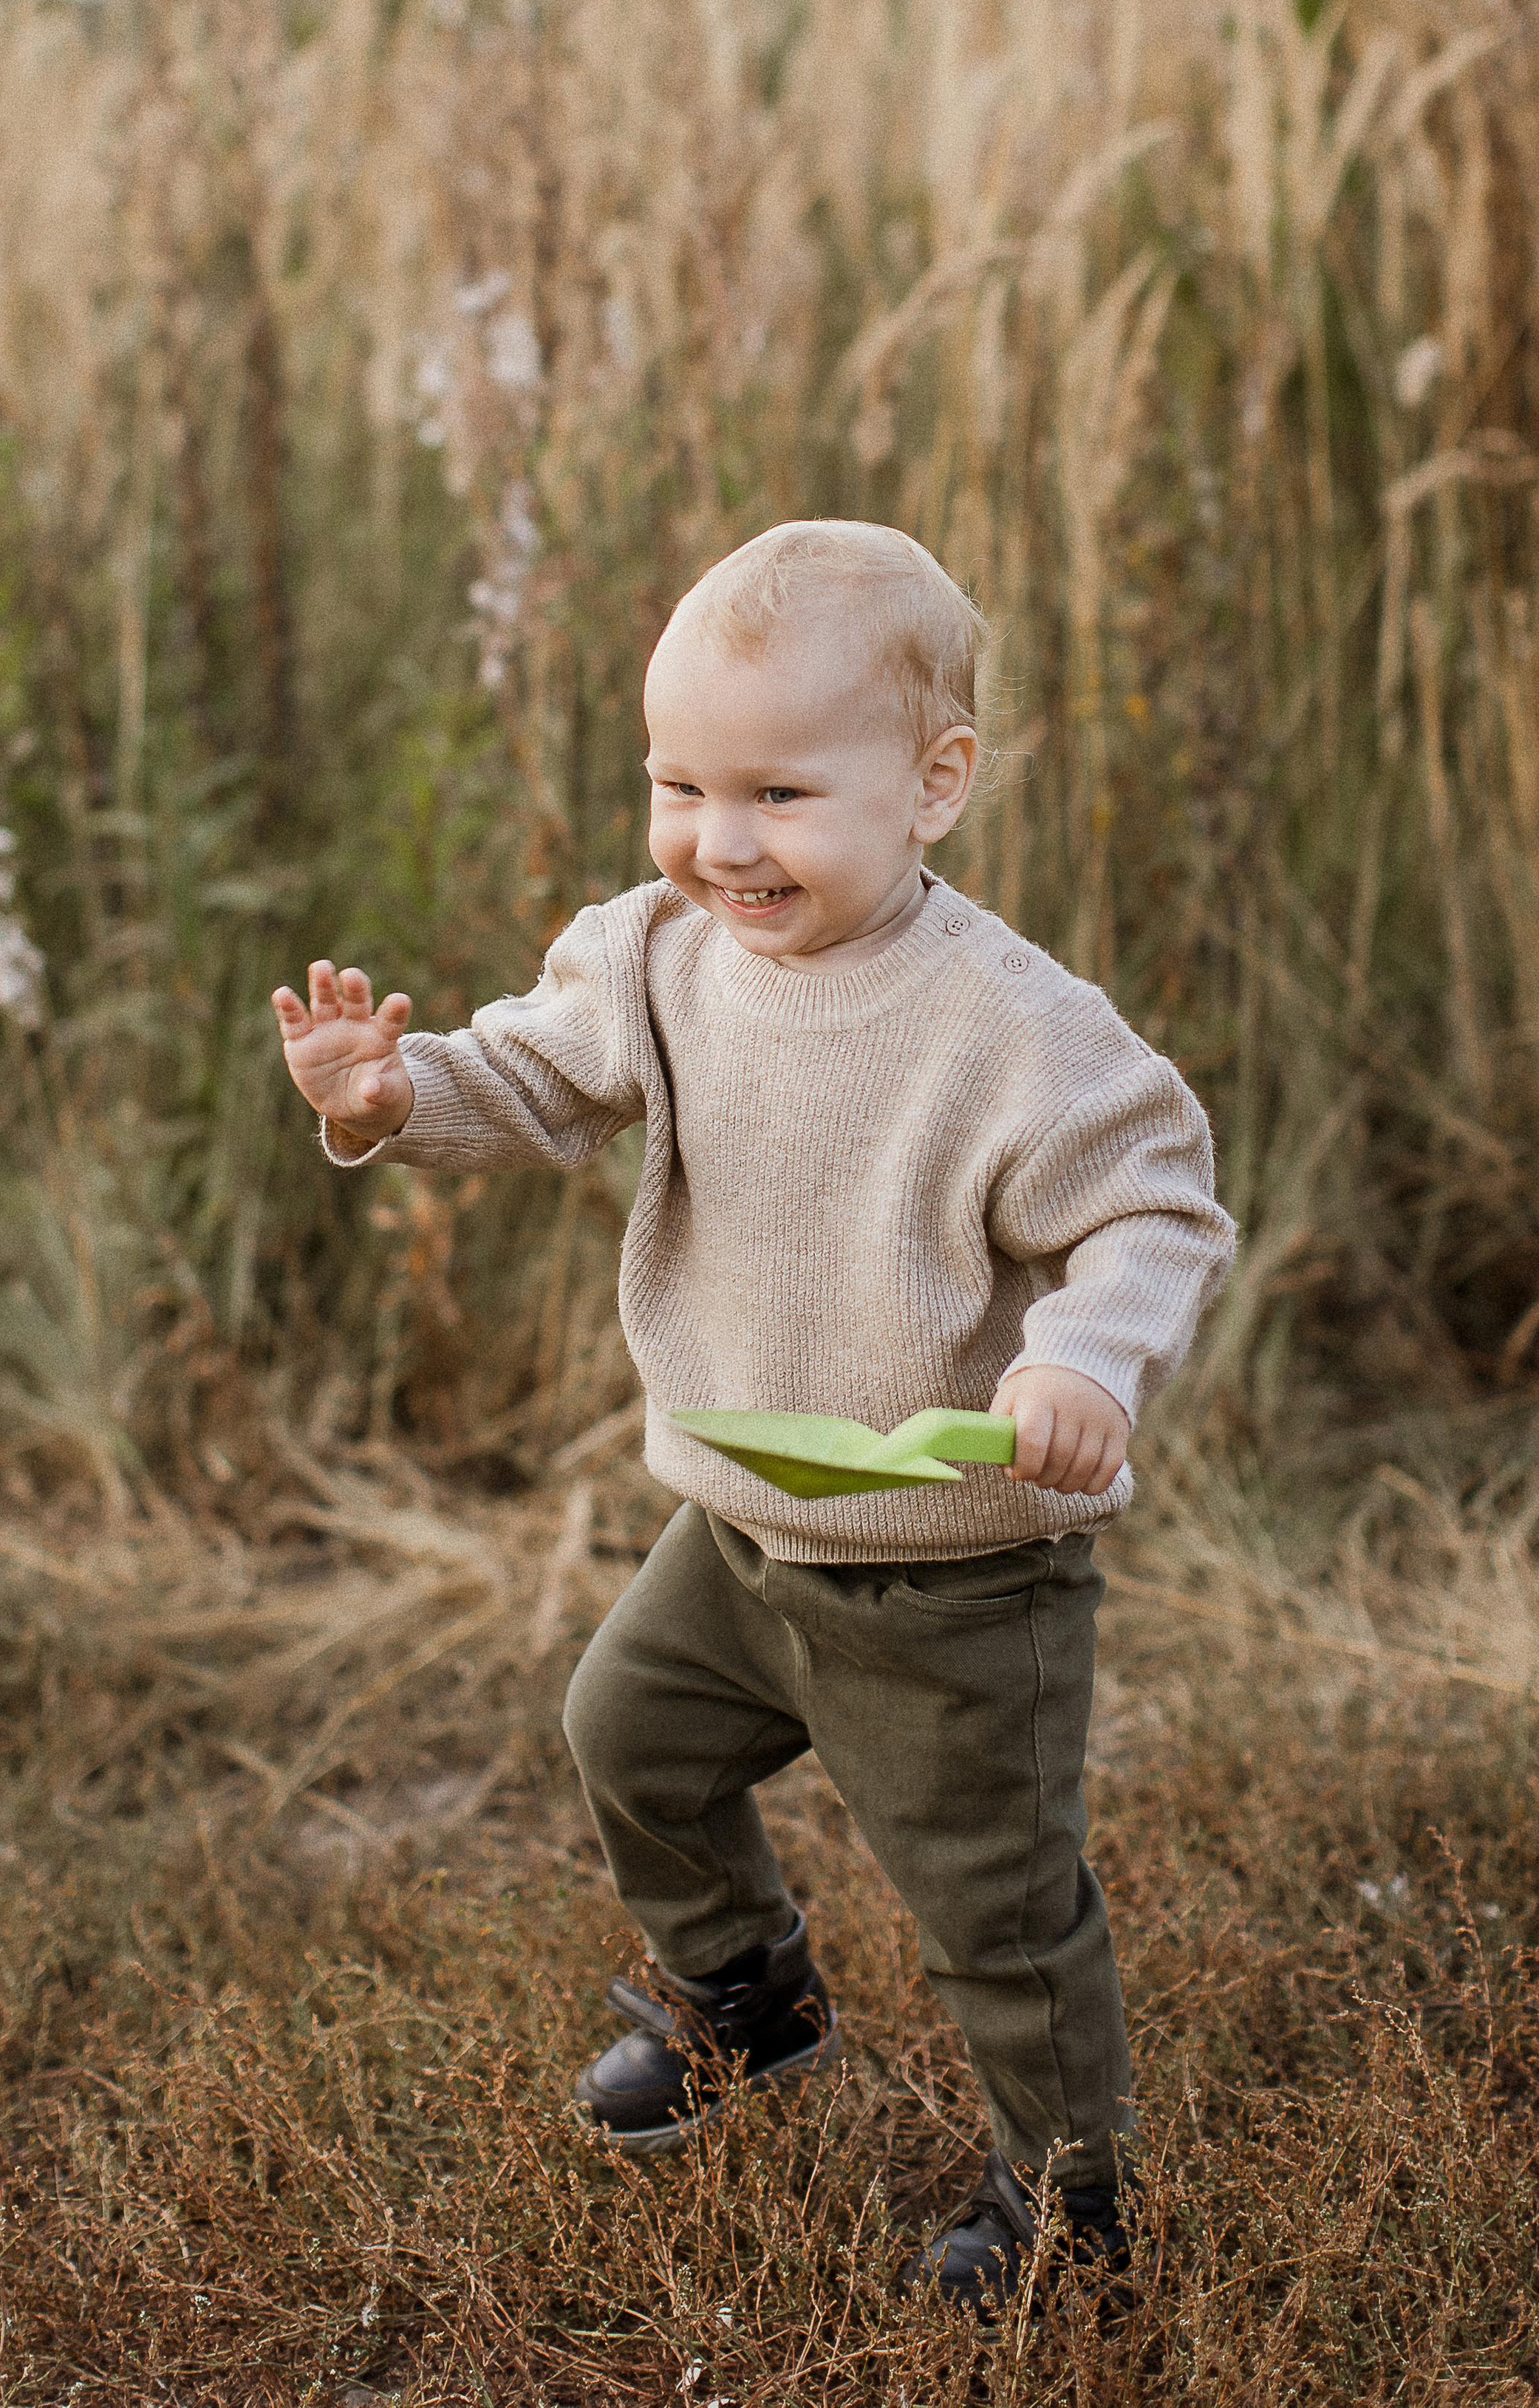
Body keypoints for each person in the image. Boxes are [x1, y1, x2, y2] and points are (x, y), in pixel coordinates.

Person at [271, 520, 1234, 2330]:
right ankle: (744, 1996)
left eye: (779, 793)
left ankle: (1075, 2202)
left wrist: (1085, 1363)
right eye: (679, 786)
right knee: (625, 1736)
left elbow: (1153, 1210)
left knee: (996, 1911)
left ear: (933, 785)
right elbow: (529, 1081)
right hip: (741, 1525)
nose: (719, 841)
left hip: (954, 1575)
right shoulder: (655, 957)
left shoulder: (1012, 1030)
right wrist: (392, 1095)